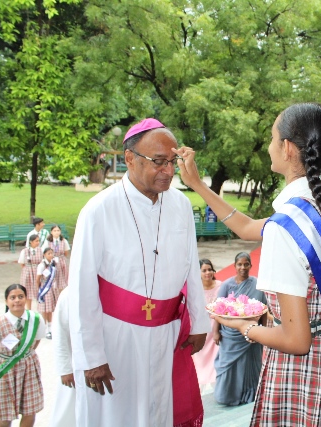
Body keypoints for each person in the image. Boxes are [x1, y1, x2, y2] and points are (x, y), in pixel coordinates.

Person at [176, 102, 321, 426]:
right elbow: (247, 227)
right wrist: (198, 184)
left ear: (287, 148)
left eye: (272, 138)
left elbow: (296, 340)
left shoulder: (289, 226)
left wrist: (245, 327)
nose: (268, 146)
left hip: (303, 378)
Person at [68, 118, 210, 427]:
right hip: (116, 338)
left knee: (161, 413)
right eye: (159, 162)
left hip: (167, 334)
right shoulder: (98, 210)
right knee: (117, 416)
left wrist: (199, 321)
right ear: (130, 158)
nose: (169, 171)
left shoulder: (181, 205)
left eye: (173, 162)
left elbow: (190, 267)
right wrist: (91, 357)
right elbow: (81, 288)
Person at [0, 284, 46, 427]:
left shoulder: (36, 319)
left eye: (20, 296)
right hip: (5, 370)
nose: (17, 300)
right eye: (12, 297)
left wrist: (24, 355)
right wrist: (6, 358)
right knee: (4, 412)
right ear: (6, 301)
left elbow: (36, 340)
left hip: (29, 368)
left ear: (25, 298)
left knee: (30, 409)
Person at [213, 252, 266, 406]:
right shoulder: (226, 285)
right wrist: (216, 332)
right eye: (239, 264)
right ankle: (227, 396)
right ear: (235, 266)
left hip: (252, 334)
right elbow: (218, 310)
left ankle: (249, 395)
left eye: (246, 264)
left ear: (251, 265)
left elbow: (263, 309)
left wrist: (262, 331)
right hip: (230, 334)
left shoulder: (257, 284)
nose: (243, 267)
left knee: (250, 365)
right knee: (228, 366)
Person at [191, 259, 222, 392]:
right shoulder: (195, 289)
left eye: (210, 269)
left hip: (216, 325)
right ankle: (201, 381)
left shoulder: (220, 286)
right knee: (200, 357)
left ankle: (216, 381)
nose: (208, 272)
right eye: (204, 270)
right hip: (202, 326)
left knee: (216, 355)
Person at [50, 285, 76, 427]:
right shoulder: (68, 294)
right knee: (68, 411)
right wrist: (65, 369)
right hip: (75, 365)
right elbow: (60, 334)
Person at [36, 247, 59, 339]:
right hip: (44, 288)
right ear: (44, 255)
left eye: (52, 253)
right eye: (49, 253)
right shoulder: (42, 265)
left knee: (50, 310)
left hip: (52, 288)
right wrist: (38, 290)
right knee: (44, 310)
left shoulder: (53, 264)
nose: (51, 255)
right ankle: (44, 329)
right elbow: (38, 279)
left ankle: (50, 328)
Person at [42, 225, 70, 293]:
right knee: (53, 278)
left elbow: (66, 252)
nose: (56, 232)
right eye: (55, 231)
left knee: (62, 279)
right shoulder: (48, 241)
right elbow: (44, 252)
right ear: (51, 232)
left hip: (61, 260)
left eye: (58, 231)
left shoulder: (63, 241)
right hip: (52, 261)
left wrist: (61, 258)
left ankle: (62, 293)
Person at [18, 234, 42, 310]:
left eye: (38, 241)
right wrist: (28, 269)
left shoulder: (40, 250)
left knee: (38, 290)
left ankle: (40, 308)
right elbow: (21, 263)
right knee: (28, 291)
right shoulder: (24, 251)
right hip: (28, 272)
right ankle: (29, 309)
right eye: (36, 241)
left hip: (38, 271)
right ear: (31, 242)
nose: (38, 242)